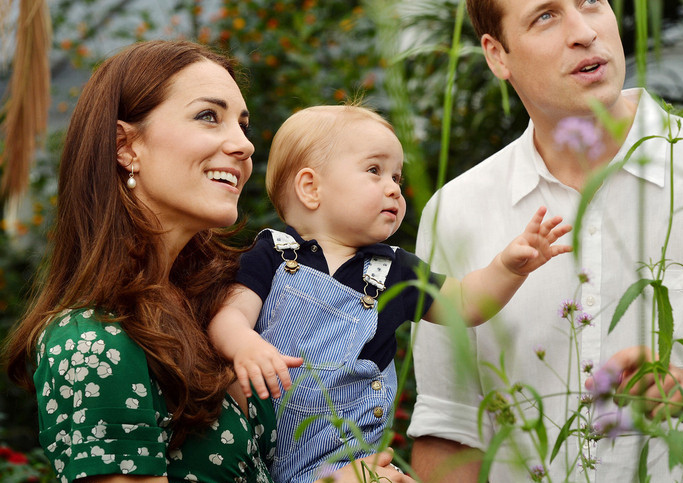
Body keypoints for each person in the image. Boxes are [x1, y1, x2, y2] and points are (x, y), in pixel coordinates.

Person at [407, 0, 683, 482]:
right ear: (497, 55)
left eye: (590, 0)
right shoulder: (456, 212)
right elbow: (449, 431)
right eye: (545, 17)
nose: (585, 32)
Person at [4, 40, 414, 483]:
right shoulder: (93, 341)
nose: (243, 146)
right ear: (125, 146)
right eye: (208, 116)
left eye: (243, 125)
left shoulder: (219, 312)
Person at [207, 104, 573, 483]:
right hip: (254, 455)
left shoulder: (395, 270)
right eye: (374, 170)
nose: (394, 188)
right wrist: (245, 345)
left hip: (343, 464)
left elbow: (465, 303)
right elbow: (229, 317)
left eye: (396, 177)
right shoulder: (274, 254)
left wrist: (507, 268)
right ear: (311, 188)